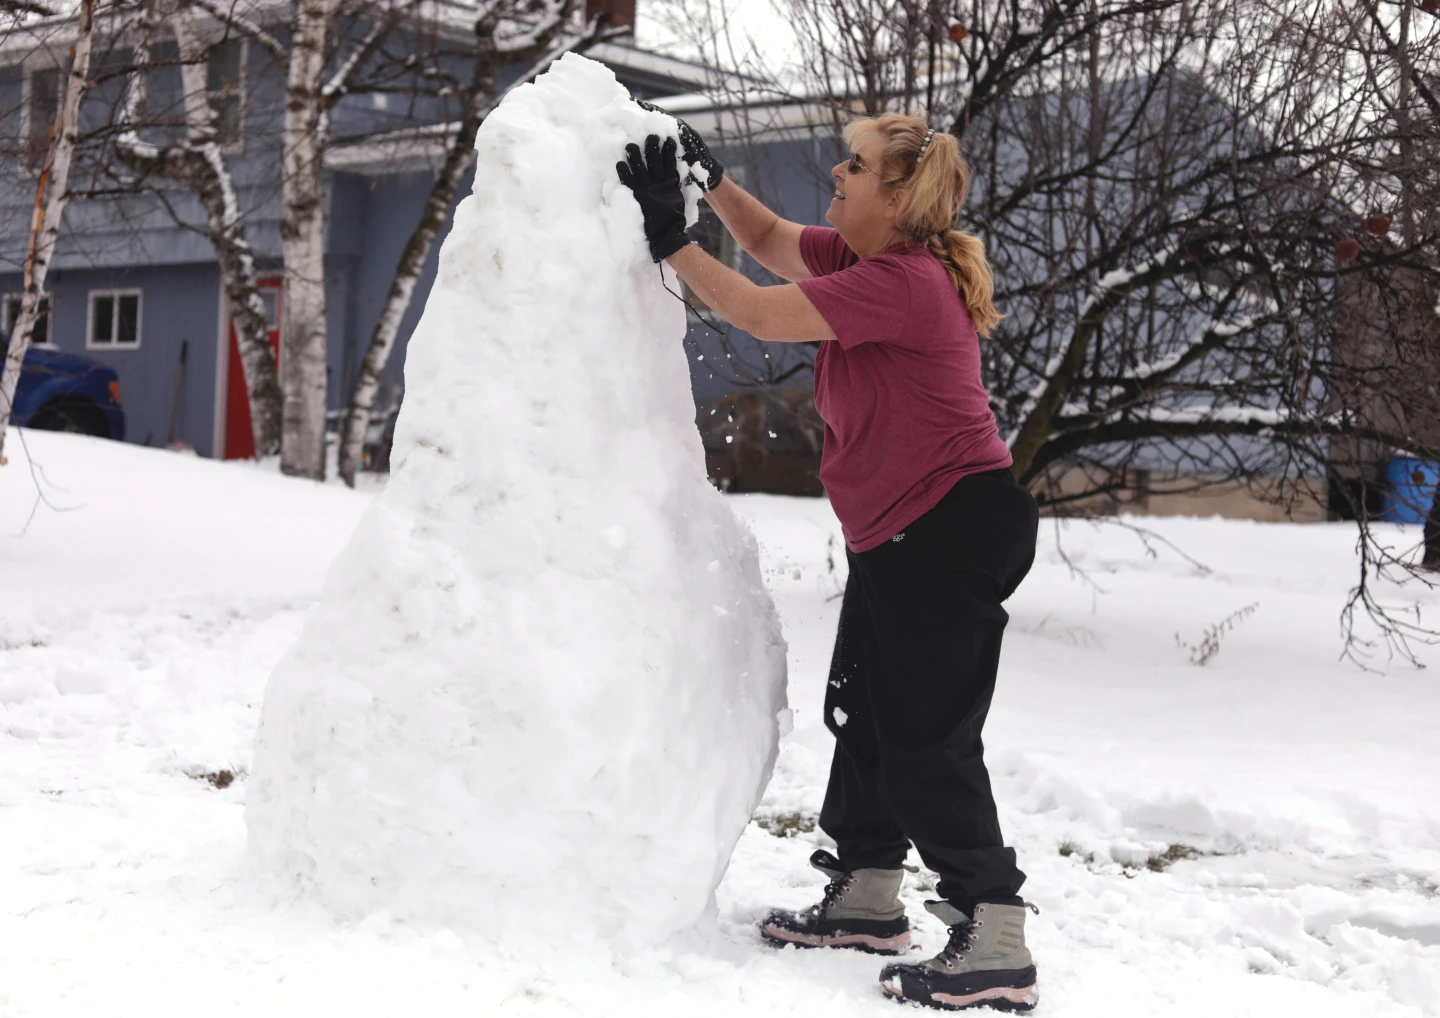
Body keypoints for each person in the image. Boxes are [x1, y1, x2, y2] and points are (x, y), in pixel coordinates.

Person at [616, 112, 1041, 1013]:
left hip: (950, 529)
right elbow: (768, 242)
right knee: (871, 715)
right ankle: (868, 894)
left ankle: (996, 931)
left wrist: (669, 238)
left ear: (896, 197)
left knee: (926, 736)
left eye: (855, 166)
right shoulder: (860, 263)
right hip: (905, 533)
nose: (837, 174)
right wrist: (711, 178)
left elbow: (757, 312)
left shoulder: (907, 283)